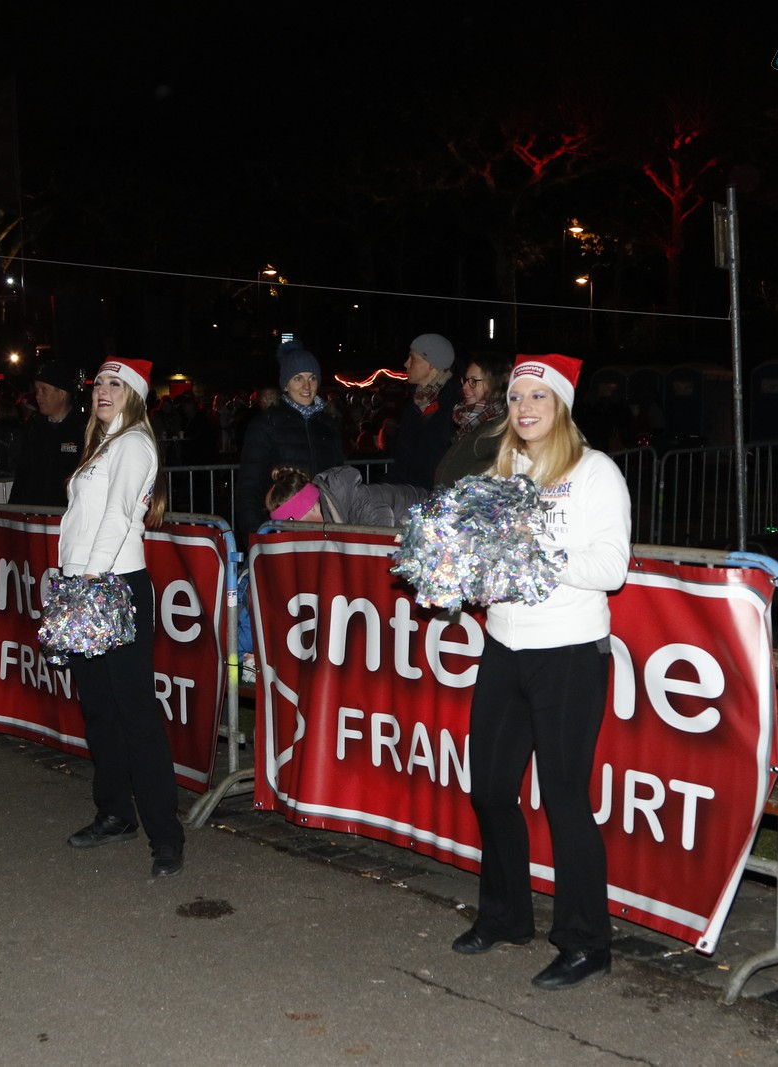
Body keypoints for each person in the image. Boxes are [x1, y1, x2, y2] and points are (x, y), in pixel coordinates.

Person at [452, 353, 630, 992]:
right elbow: (487, 561)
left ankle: (587, 943)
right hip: (504, 646)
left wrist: (534, 549)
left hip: (570, 654)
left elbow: (611, 568)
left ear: (562, 406)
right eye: (516, 397)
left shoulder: (594, 471)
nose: (524, 408)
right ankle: (505, 916)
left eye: (539, 396)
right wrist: (460, 570)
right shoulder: (503, 471)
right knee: (490, 788)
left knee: (563, 797)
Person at [59, 357, 186, 878]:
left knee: (135, 714)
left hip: (112, 586)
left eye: (116, 383)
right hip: (86, 583)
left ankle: (166, 836)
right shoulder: (104, 443)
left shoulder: (133, 443)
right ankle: (114, 813)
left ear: (134, 394)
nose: (103, 391)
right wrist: (72, 581)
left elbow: (115, 519)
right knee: (99, 709)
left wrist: (88, 582)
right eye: (99, 384)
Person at [235, 340, 346, 547]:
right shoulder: (266, 425)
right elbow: (249, 488)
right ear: (285, 385)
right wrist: (257, 538)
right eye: (298, 378)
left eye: (312, 378)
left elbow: (340, 480)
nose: (307, 386)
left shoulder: (328, 425)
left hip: (324, 531)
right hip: (281, 533)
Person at [8, 354, 85, 506]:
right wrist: (13, 510)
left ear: (62, 393)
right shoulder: (33, 428)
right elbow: (22, 475)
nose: (38, 396)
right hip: (36, 515)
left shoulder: (83, 429)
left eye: (44, 390)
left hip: (69, 514)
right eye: (37, 390)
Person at [388, 332, 462, 489]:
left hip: (440, 495)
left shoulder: (454, 406)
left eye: (412, 358)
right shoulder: (413, 405)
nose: (406, 364)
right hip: (411, 494)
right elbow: (403, 458)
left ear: (432, 364)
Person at [434, 351, 510, 487]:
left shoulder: (497, 429)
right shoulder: (472, 422)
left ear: (496, 384)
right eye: (465, 380)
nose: (464, 387)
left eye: (474, 381)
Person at [264, 464, 428, 527]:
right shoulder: (332, 509)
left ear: (310, 507)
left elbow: (381, 533)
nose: (294, 531)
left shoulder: (355, 502)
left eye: (293, 524)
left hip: (429, 515)